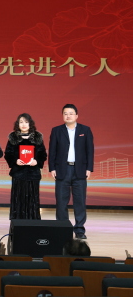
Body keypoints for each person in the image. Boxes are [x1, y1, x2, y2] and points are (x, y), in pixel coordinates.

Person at [49, 103, 94, 240]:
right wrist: (52, 168)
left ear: (76, 115)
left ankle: (79, 229)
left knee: (80, 202)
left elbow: (90, 151)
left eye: (71, 113)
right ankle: (62, 229)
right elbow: (52, 151)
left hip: (79, 170)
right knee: (61, 202)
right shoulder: (57, 130)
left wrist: (89, 168)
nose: (68, 116)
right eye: (65, 113)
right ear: (62, 116)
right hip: (62, 170)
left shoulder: (85, 130)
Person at [4, 113, 47, 220]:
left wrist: (36, 161)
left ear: (30, 124)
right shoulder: (13, 137)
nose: (23, 124)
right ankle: (17, 225)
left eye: (26, 122)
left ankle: (33, 225)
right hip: (18, 174)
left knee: (33, 201)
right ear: (17, 124)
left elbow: (43, 155)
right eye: (21, 122)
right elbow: (8, 154)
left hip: (33, 174)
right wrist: (15, 161)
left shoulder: (37, 137)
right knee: (18, 200)